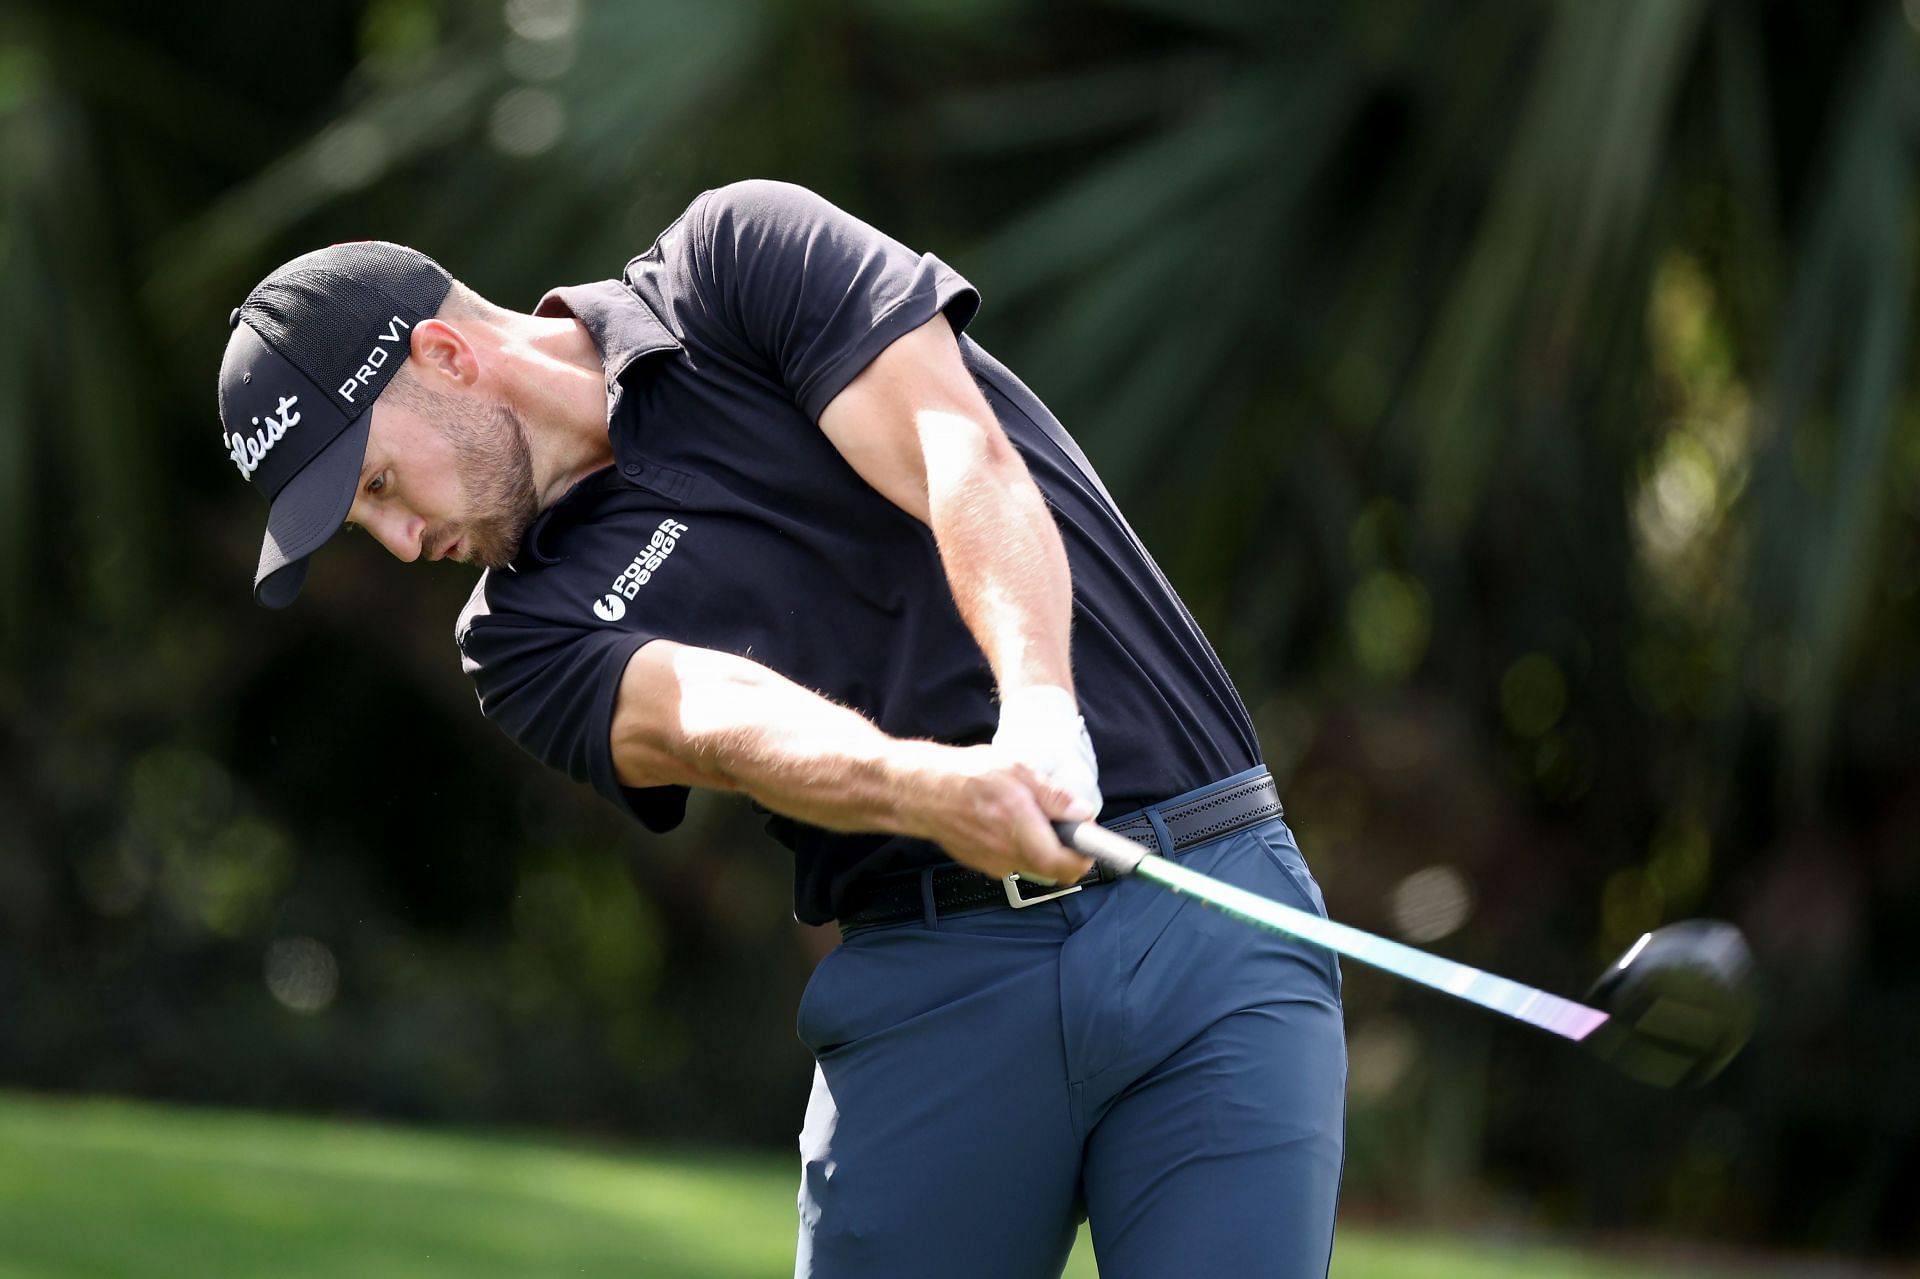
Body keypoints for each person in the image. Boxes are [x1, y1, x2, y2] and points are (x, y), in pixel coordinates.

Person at [215, 179, 1346, 1278]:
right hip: (936, 978)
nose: (401, 543)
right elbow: (708, 715)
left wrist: (1040, 713)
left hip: (1206, 893)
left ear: (447, 360)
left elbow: (958, 449)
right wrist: (929, 789)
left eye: (375, 488)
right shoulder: (516, 637)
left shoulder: (734, 266)